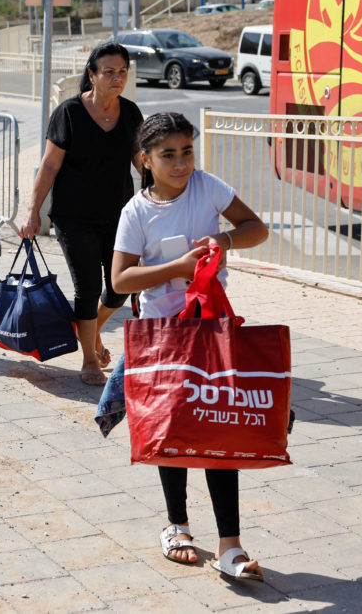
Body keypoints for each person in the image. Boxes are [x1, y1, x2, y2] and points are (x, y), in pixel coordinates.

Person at [96, 112, 269, 581]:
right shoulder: (136, 212)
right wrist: (178, 267)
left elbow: (257, 228)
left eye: (186, 151)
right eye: (167, 154)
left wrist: (224, 239)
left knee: (219, 428)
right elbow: (120, 278)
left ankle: (231, 544)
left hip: (212, 329)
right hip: (161, 335)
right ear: (144, 160)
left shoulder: (208, 187)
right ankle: (177, 526)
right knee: (172, 433)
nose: (180, 163)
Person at [18, 42, 144, 385]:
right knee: (87, 288)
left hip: (121, 216)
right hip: (75, 217)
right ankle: (89, 358)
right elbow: (48, 167)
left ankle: (92, 328)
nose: (117, 78)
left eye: (122, 72)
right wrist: (32, 212)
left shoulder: (131, 113)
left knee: (120, 286)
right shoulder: (69, 113)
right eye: (109, 72)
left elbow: (141, 163)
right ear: (92, 75)